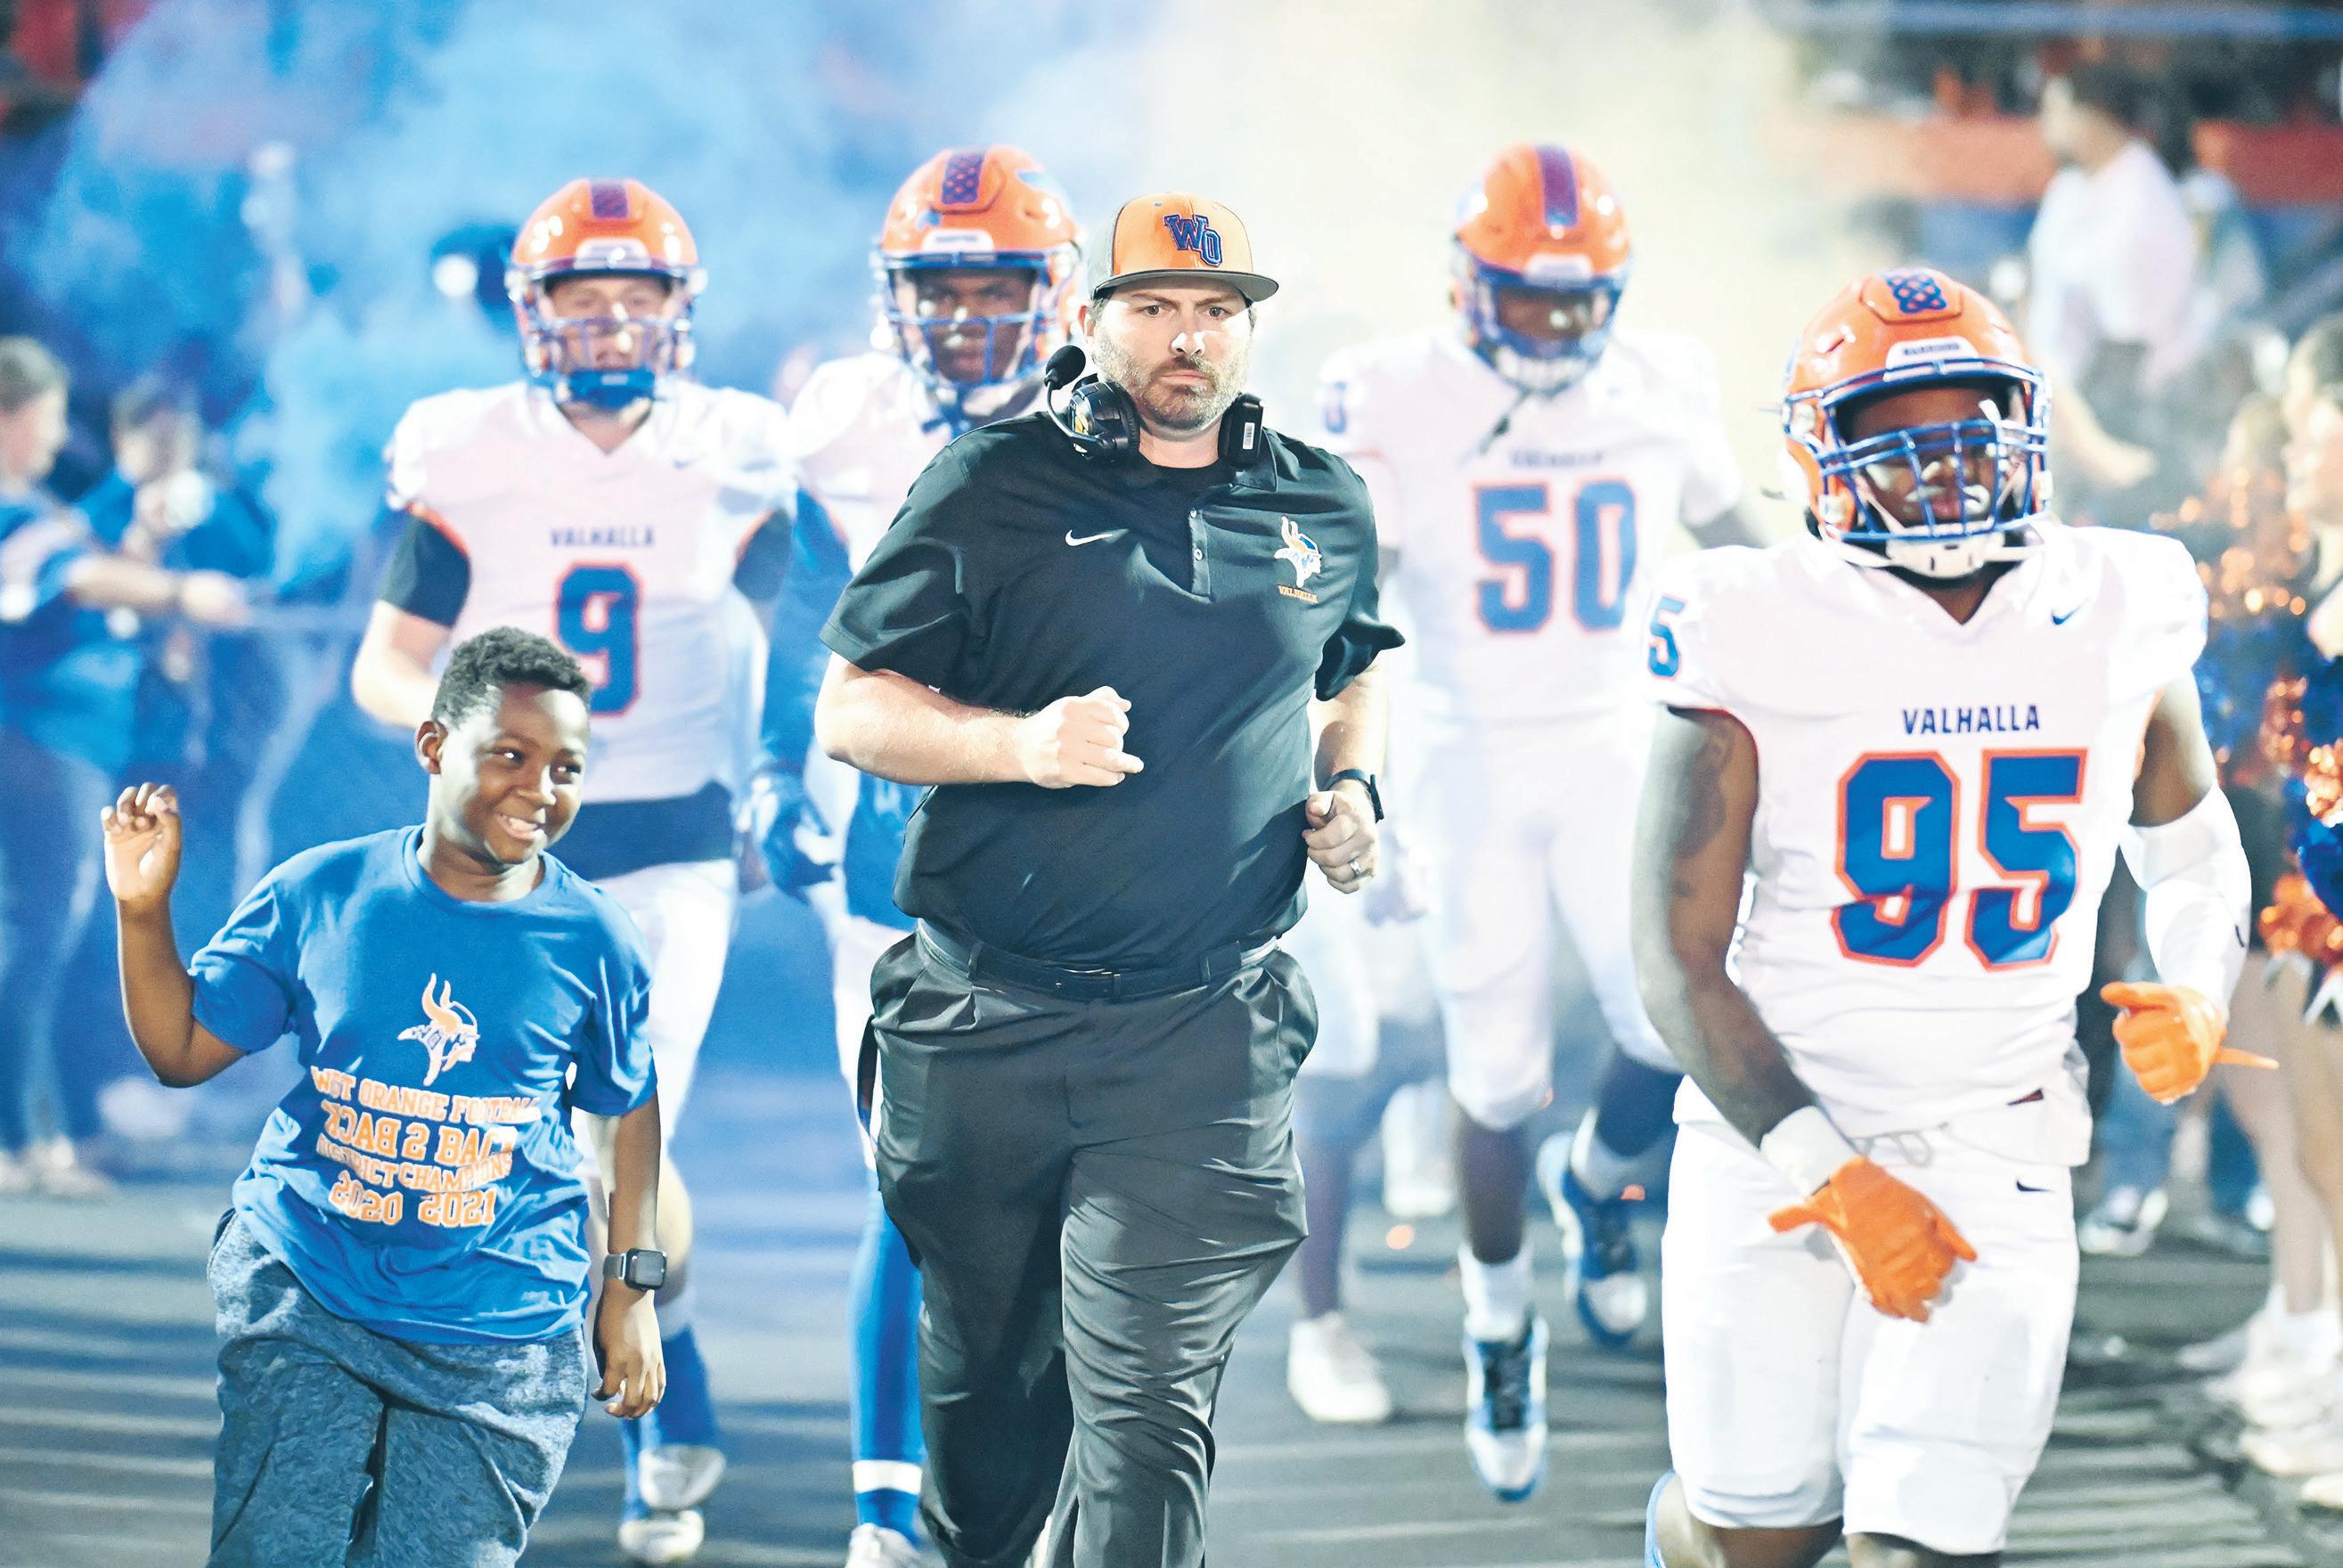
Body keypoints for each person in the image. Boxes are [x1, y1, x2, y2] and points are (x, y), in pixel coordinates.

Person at [814, 192, 1400, 1568]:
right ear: (1092, 320)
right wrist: (1013, 746)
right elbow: (852, 709)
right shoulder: (988, 482)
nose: (1187, 337)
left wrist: (1353, 786)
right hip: (986, 1024)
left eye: (1216, 310)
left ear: (1246, 328)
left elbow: (1352, 669)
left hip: (1200, 1031)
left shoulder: (1318, 498)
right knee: (989, 1424)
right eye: (1155, 308)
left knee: (1145, 1416)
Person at [1636, 267, 2254, 1568]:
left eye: (1968, 426)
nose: (1943, 464)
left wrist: (2199, 985)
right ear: (1819, 460)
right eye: (1897, 436)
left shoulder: (2118, 600)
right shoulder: (1749, 619)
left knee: (1915, 1543)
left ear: (2021, 423)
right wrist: (1832, 1175)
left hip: (1997, 1133)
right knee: (1754, 1538)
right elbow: (1675, 956)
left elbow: (2194, 851)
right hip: (1771, 1139)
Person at [346, 178, 796, 1566]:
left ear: (679, 314)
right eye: (581, 298)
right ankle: (669, 1366)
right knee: (487, 1148)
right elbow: (385, 662)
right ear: (531, 315)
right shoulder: (469, 450)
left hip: (669, 840)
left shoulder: (738, 451)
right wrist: (450, 738)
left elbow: (792, 649)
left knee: (614, 1135)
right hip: (506, 844)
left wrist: (775, 779)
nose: (609, 323)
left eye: (634, 298)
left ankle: (647, 1400)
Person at [1316, 142, 1755, 1499]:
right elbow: (1346, 599)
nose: (1557, 327)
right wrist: (1346, 769)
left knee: (1669, 1024)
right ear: (1467, 285)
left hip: (1617, 735)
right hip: (1461, 748)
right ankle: (1498, 1322)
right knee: (1495, 1073)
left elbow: (1741, 544)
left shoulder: (1662, 382)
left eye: (1579, 301)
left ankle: (1600, 1182)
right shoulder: (1395, 391)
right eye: (1530, 298)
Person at [102, 626, 665, 1568]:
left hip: (501, 1325)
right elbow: (182, 1051)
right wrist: (141, 910)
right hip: (309, 1286)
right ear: (434, 746)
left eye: (566, 767)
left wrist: (630, 1290)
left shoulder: (593, 937)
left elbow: (629, 1105)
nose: (540, 788)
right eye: (511, 755)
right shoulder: (322, 891)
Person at [764, 142, 1081, 1568]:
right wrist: (772, 769)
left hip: (1081, 864)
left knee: (1073, 1214)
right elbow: (799, 619)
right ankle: (887, 1517)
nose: (963, 319)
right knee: (914, 1192)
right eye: (937, 292)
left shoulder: (1126, 419)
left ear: (1052, 293)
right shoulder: (847, 420)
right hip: (894, 858)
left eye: (993, 287)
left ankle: (1047, 1508)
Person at [0, 337, 248, 1196]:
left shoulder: (36, 504)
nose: (57, 434)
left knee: (53, 931)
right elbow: (75, 584)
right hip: (39, 735)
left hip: (70, 741)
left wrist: (146, 540)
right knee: (42, 929)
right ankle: (19, 1139)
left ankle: (40, 1134)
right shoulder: (9, 507)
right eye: (48, 416)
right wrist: (180, 592)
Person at [2028, 61, 2204, 516]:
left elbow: (2127, 348)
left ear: (2095, 116)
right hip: (2060, 403)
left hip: (2129, 413)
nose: (2046, 125)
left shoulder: (2142, 200)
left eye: (2056, 111)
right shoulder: (2070, 186)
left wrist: (2090, 442)